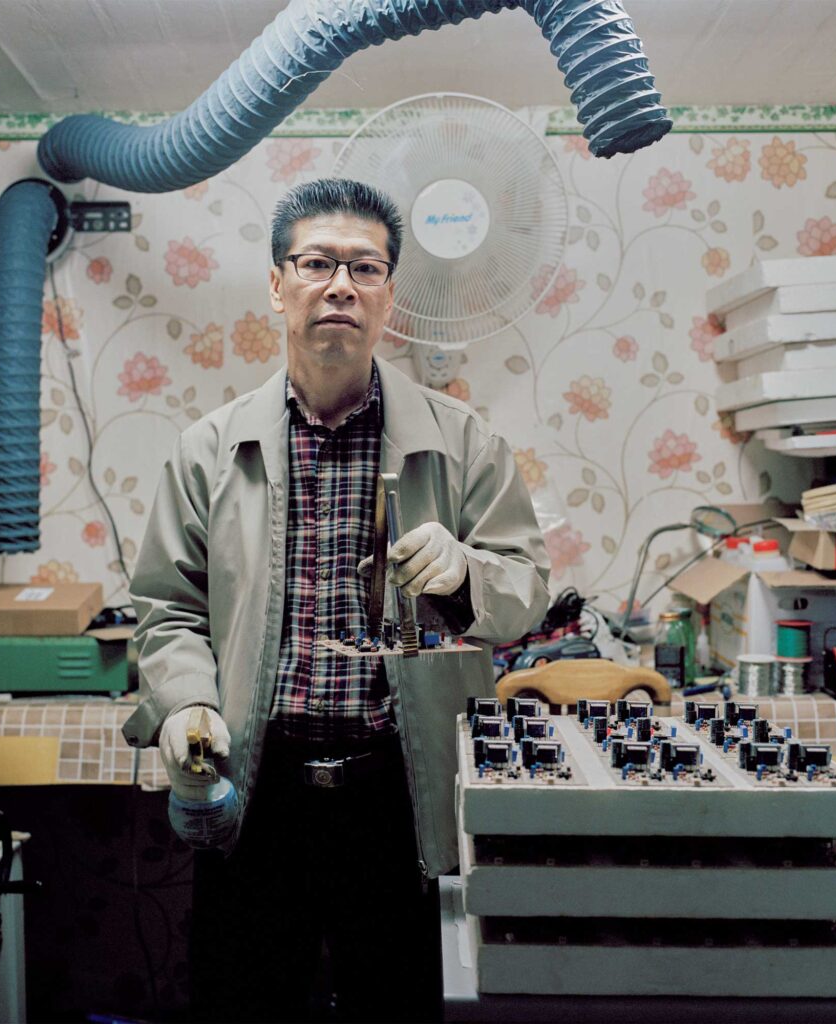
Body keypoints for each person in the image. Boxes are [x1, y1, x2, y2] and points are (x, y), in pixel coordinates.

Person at [122, 178, 549, 1023]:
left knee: (405, 1001)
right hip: (258, 784)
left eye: (366, 267)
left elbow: (527, 593)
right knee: (241, 1002)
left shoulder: (463, 444)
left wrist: (466, 575)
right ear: (277, 285)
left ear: (391, 295)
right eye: (317, 262)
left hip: (403, 795)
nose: (341, 285)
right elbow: (167, 609)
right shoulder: (209, 450)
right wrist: (187, 702)